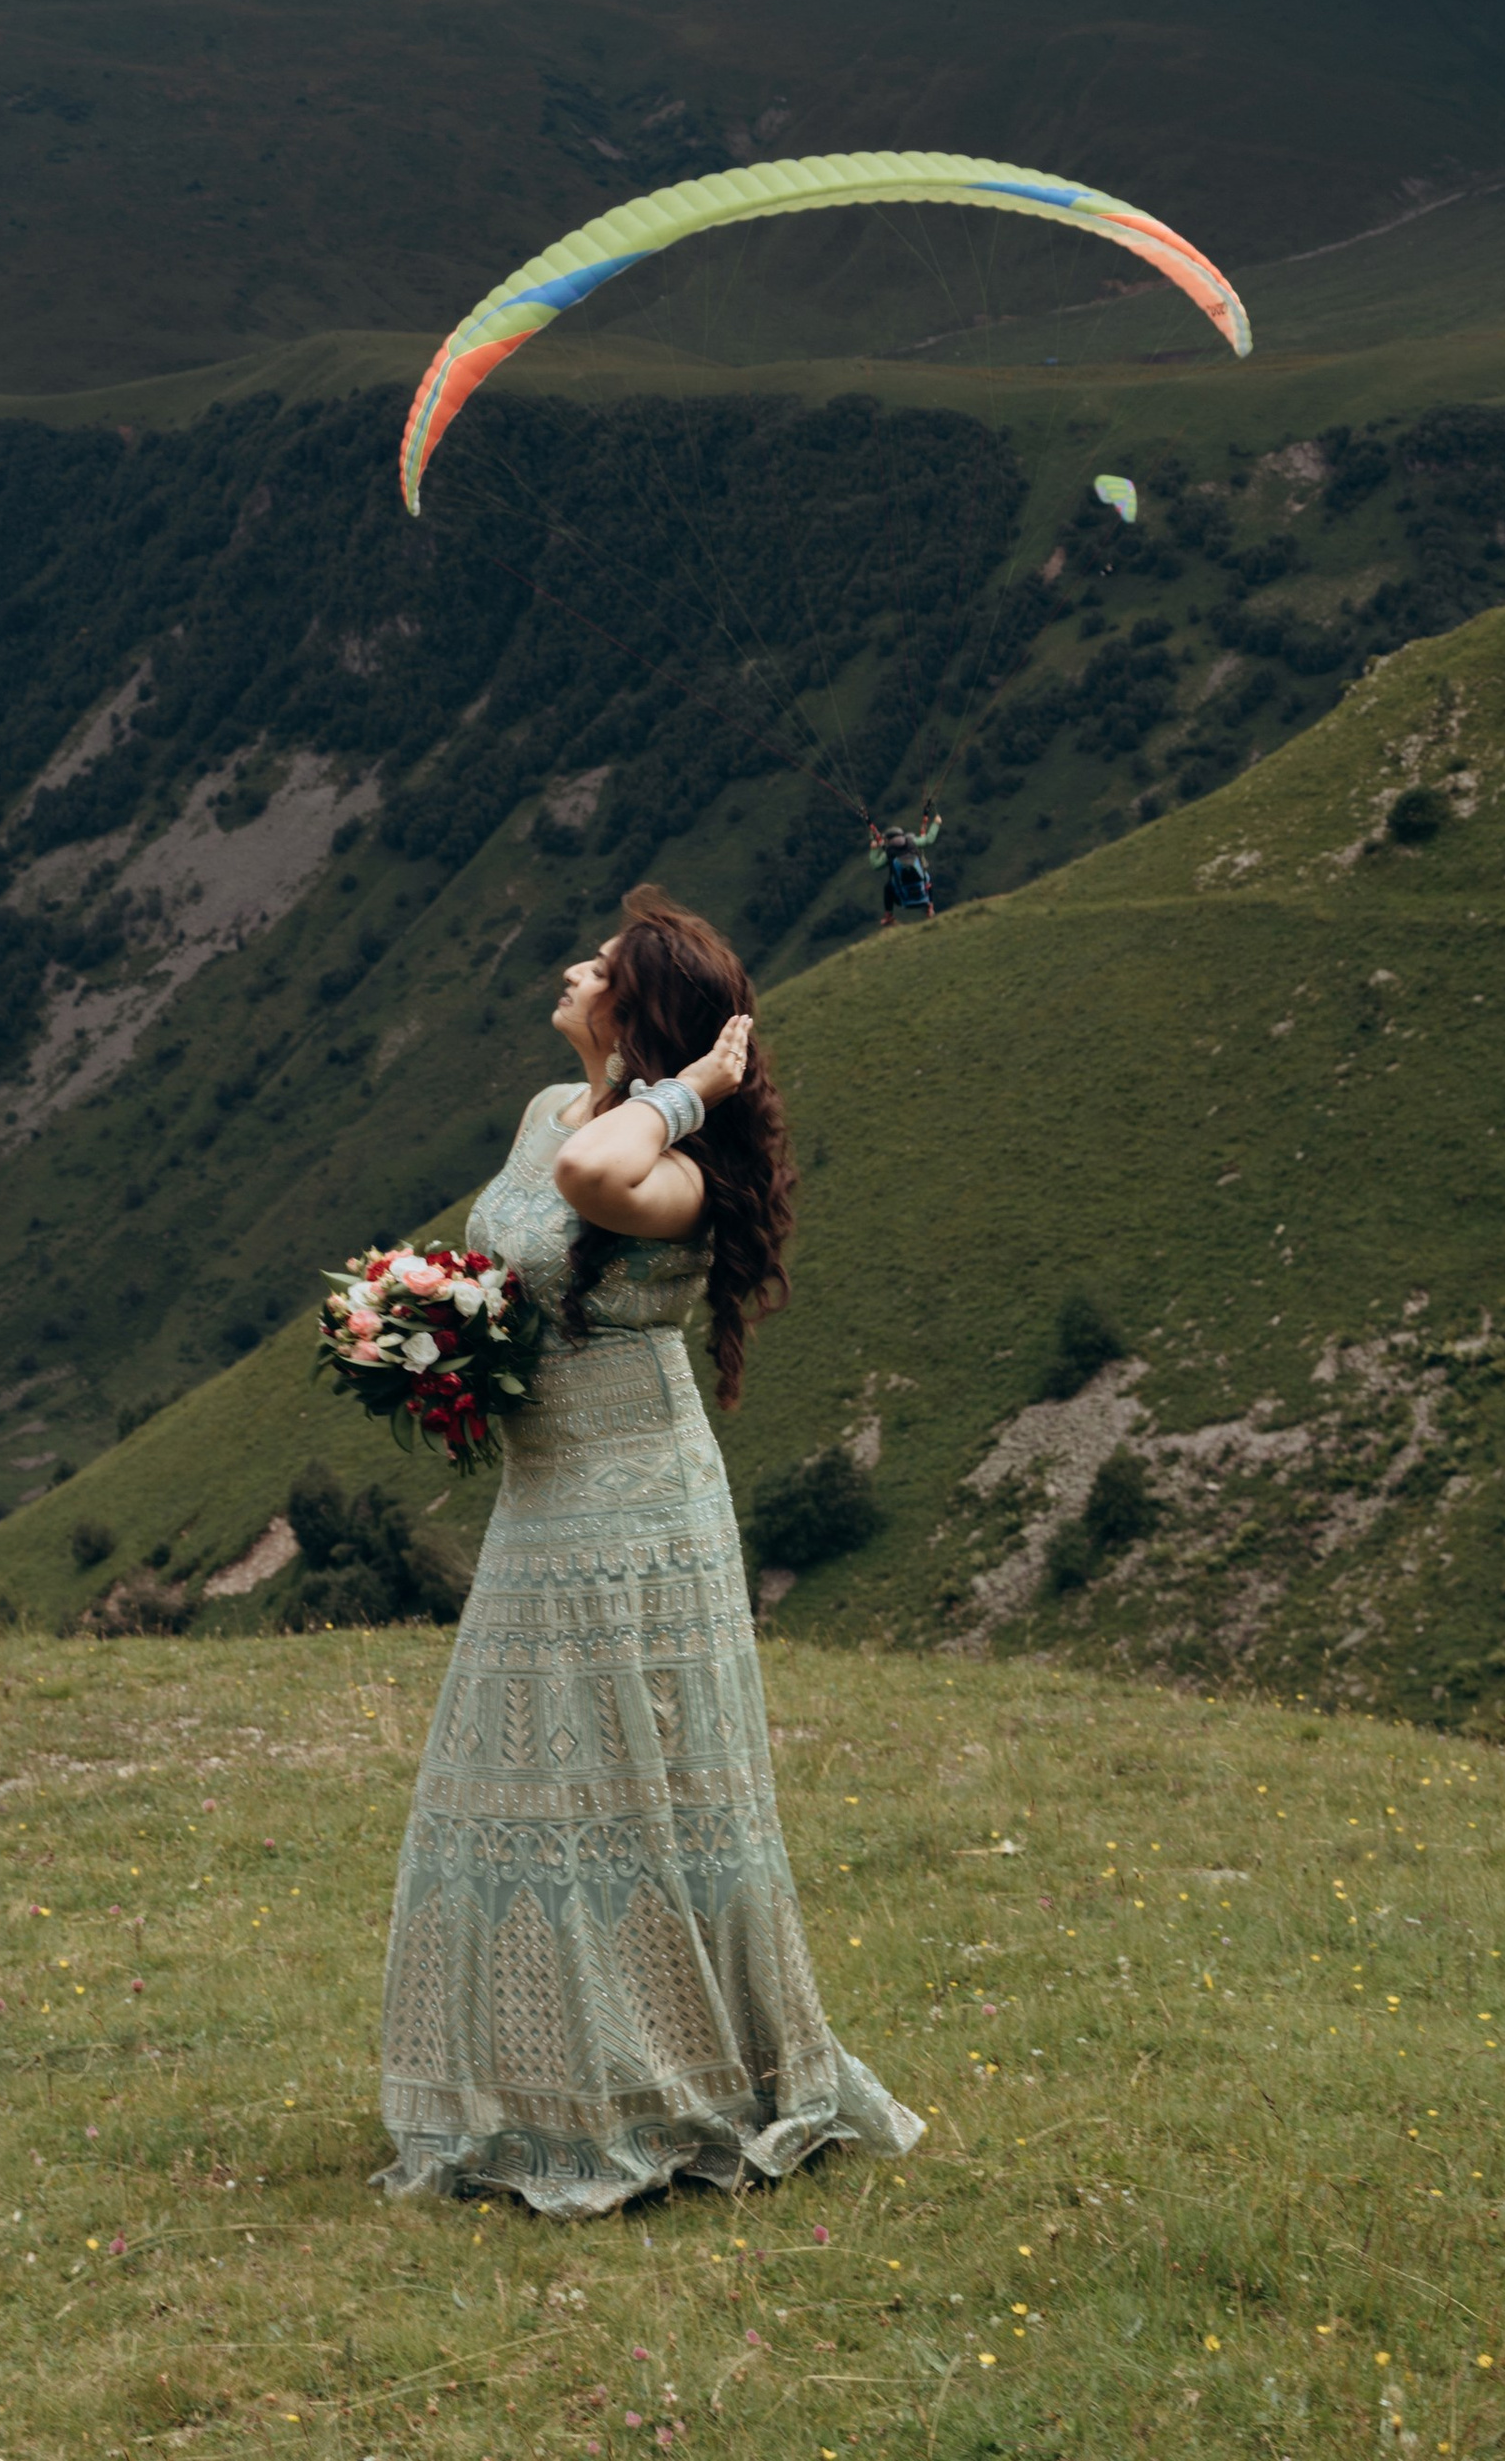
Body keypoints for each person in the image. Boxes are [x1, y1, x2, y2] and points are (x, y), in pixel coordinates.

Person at [373, 882, 922, 2213]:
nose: (573, 967)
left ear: (646, 1019)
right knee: (517, 1782)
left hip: (634, 1506)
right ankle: (526, 2092)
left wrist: (700, 1088)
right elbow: (514, 1242)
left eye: (603, 964)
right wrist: (430, 1331)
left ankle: (673, 2079)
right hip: (542, 1490)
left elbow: (589, 1184)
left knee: (626, 1787)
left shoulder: (667, 1169)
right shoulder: (544, 1112)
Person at [870, 800, 942, 927]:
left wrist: (874, 849)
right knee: (928, 879)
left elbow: (875, 865)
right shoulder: (912, 842)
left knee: (888, 888)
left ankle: (888, 916)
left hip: (901, 895)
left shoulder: (889, 852)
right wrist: (936, 823)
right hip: (921, 891)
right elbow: (929, 839)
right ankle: (930, 907)